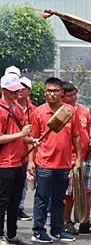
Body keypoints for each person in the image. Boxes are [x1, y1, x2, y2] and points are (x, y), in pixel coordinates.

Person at [28, 77, 82, 243]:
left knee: (59, 199)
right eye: (49, 91)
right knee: (42, 199)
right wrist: (31, 161)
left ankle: (58, 229)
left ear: (61, 93)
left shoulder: (70, 112)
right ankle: (38, 231)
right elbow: (33, 138)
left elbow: (76, 136)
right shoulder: (39, 112)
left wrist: (78, 158)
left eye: (55, 91)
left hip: (64, 164)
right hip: (44, 163)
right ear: (45, 93)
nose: (52, 94)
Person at [61, 82, 91, 235]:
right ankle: (66, 222)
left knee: (87, 191)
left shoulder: (83, 110)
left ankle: (85, 222)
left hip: (87, 156)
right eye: (69, 95)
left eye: (74, 94)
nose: (73, 97)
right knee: (70, 193)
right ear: (62, 96)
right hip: (71, 158)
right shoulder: (63, 112)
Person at [0, 73, 34, 245]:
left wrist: (31, 139)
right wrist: (21, 135)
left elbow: (21, 136)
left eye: (17, 90)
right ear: (3, 90)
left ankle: (12, 234)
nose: (16, 94)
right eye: (13, 91)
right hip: (4, 163)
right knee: (2, 201)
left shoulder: (18, 109)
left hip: (19, 162)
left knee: (15, 201)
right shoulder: (0, 110)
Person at [16, 76, 35, 221]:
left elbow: (33, 135)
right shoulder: (8, 107)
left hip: (25, 152)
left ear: (29, 91)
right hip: (8, 153)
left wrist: (31, 160)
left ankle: (19, 208)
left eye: (24, 87)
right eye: (19, 86)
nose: (21, 89)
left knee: (21, 183)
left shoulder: (33, 110)